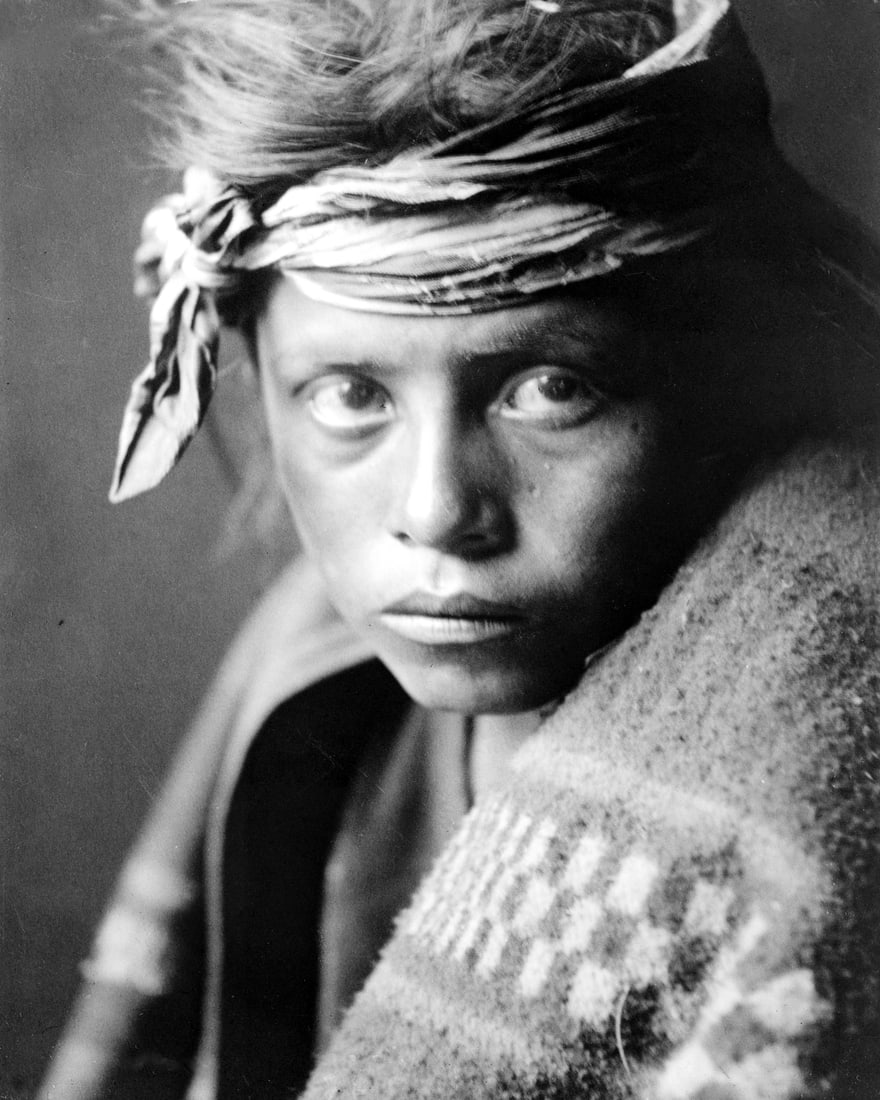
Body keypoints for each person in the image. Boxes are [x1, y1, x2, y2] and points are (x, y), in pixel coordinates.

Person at [39, 0, 880, 1097]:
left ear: (712, 380)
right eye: (348, 393)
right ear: (253, 376)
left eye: (550, 388)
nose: (436, 511)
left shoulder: (810, 727)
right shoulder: (306, 668)